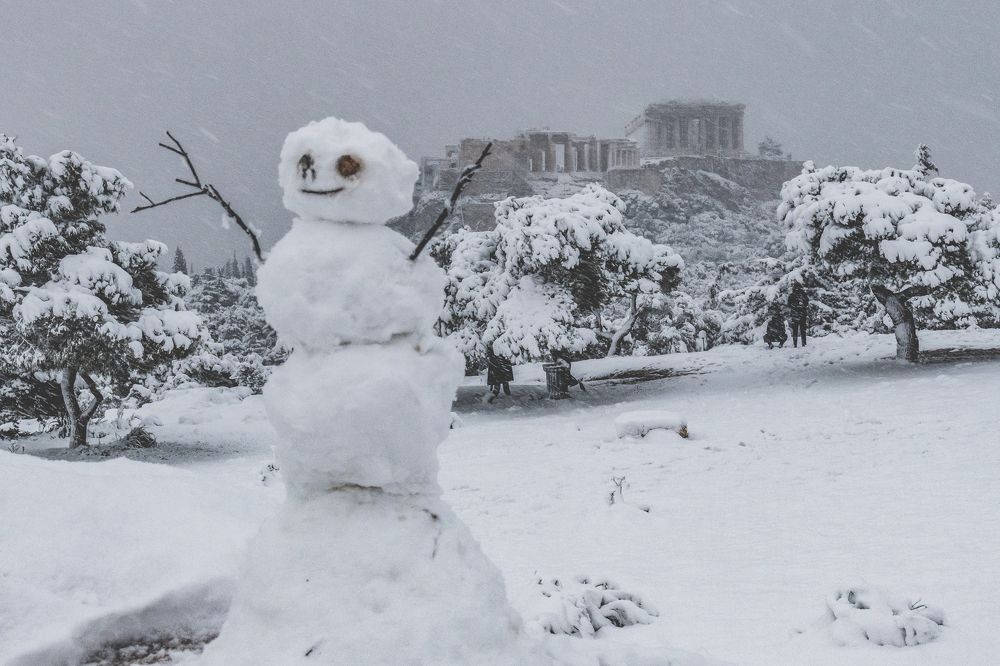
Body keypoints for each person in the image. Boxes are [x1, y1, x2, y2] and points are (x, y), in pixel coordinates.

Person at [787, 281, 809, 347]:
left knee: (797, 330)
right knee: (801, 330)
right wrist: (798, 305)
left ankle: (797, 344)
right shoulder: (803, 294)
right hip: (800, 314)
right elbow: (806, 303)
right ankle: (802, 344)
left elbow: (789, 305)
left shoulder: (793, 295)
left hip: (797, 314)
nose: (797, 289)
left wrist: (796, 306)